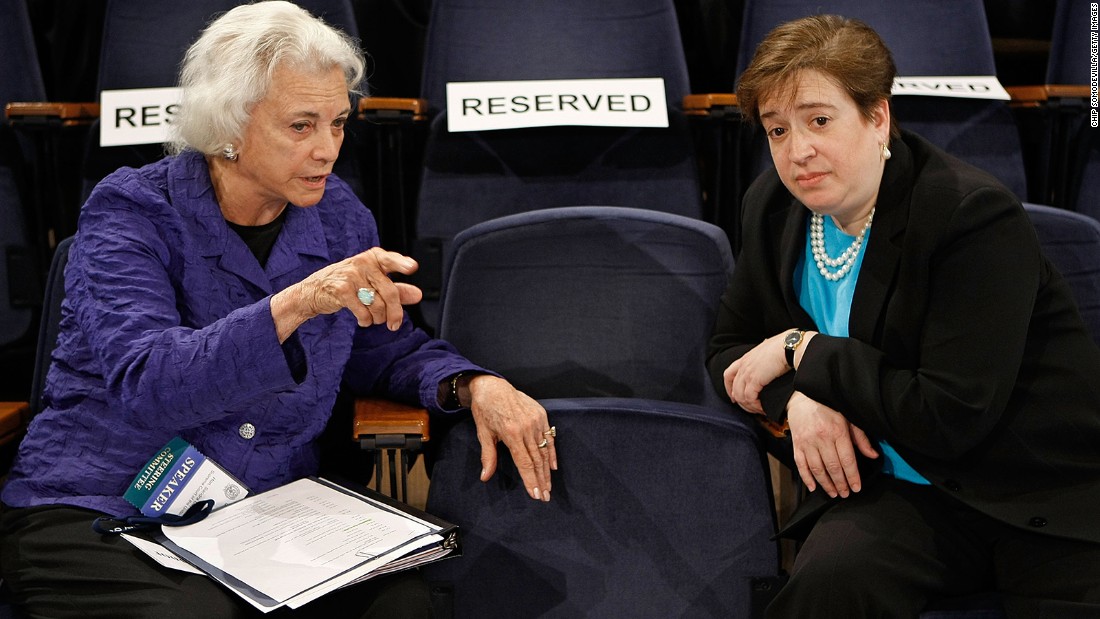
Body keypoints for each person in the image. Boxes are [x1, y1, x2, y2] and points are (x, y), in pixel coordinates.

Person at [0, 2, 559, 617]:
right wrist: (296, 303)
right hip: (104, 505)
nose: (328, 150)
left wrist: (473, 384)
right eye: (301, 126)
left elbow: (380, 346)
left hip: (259, 513)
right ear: (229, 126)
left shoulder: (341, 216)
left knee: (403, 602)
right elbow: (151, 382)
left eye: (339, 123)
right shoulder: (129, 212)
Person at [707, 14, 1100, 618]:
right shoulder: (773, 207)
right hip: (903, 491)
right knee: (827, 586)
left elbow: (948, 416)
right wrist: (799, 400)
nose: (798, 150)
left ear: (877, 116)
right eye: (777, 129)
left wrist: (801, 352)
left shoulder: (969, 215)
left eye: (818, 120)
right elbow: (729, 351)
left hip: (1033, 490)